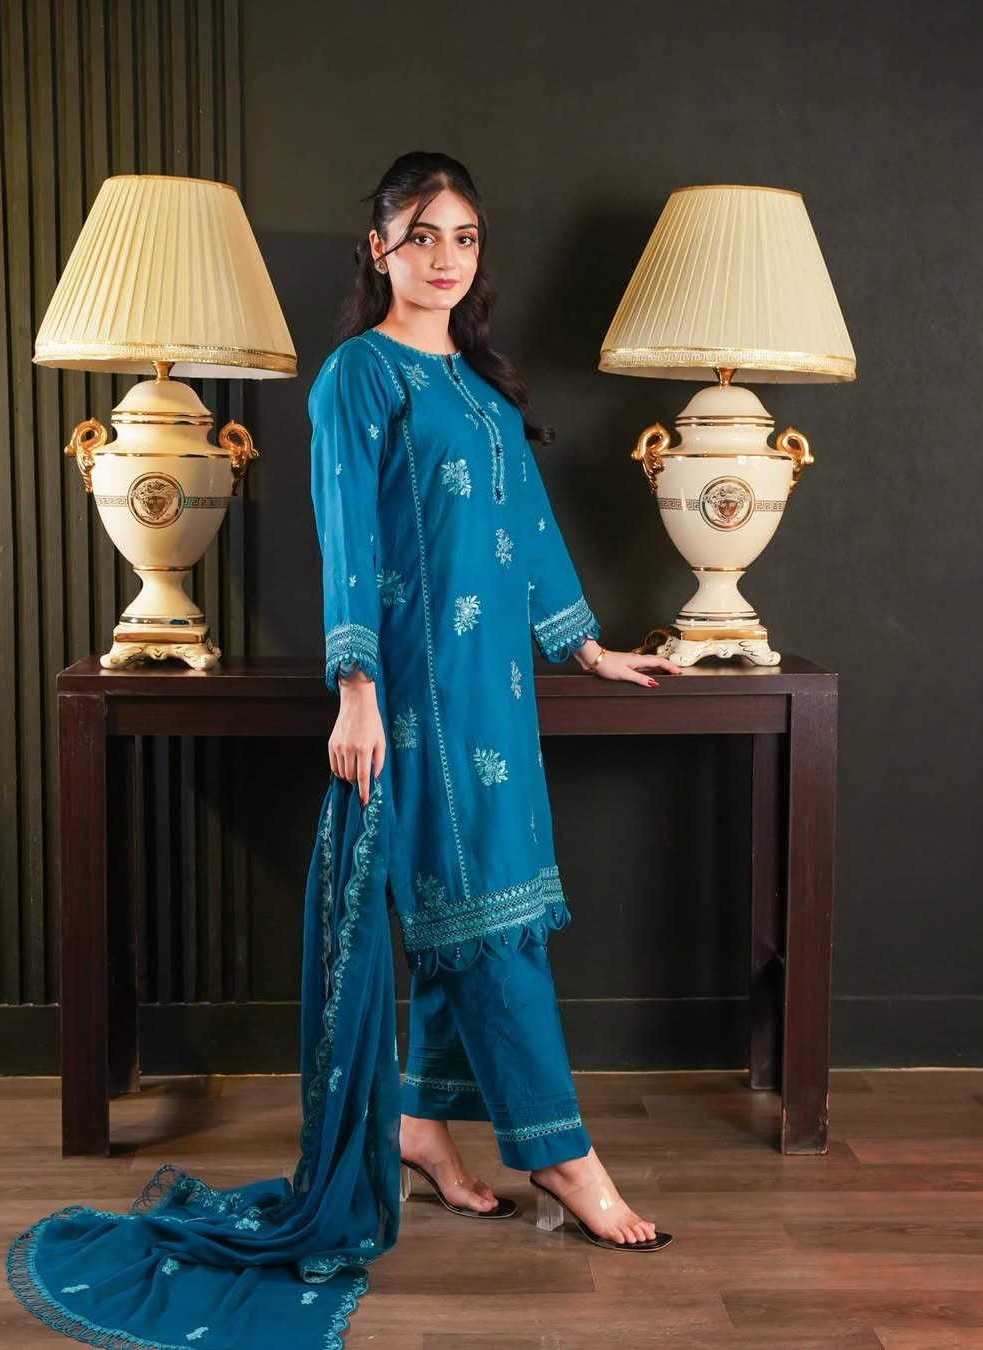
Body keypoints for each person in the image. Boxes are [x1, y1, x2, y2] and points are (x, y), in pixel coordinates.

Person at [310, 149, 681, 1250]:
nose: (445, 259)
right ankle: (562, 1157)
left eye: (464, 238)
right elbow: (347, 535)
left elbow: (526, 530)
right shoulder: (359, 375)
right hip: (418, 690)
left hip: (498, 693)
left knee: (470, 911)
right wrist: (356, 690)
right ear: (379, 249)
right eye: (422, 236)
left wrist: (588, 650)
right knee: (486, 915)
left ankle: (418, 1124)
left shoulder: (477, 388)